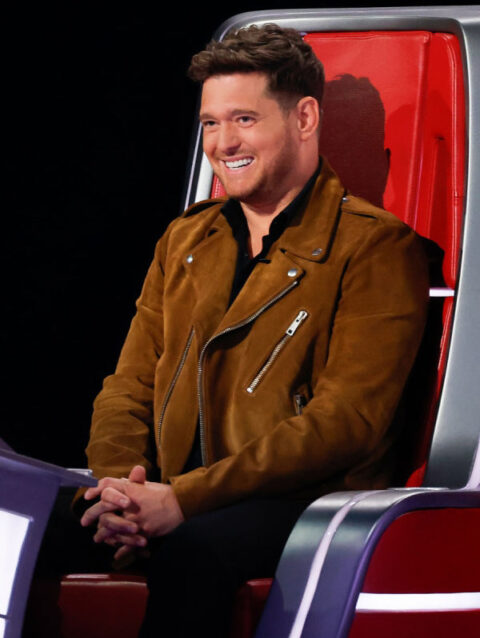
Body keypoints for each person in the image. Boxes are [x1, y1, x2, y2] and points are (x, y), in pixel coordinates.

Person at [78, 24, 428, 637]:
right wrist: (118, 489)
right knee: (23, 516)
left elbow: (344, 423)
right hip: (167, 495)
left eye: (244, 119)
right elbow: (128, 385)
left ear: (305, 118)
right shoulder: (186, 238)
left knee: (194, 554)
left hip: (305, 503)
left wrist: (182, 500)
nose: (223, 142)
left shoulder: (376, 247)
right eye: (211, 123)